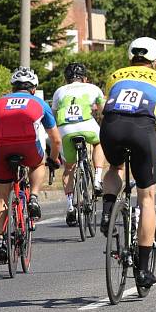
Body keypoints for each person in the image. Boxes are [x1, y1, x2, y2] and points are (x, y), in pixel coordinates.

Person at [99, 37, 156, 288]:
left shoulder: (115, 75)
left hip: (111, 127)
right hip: (141, 129)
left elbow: (110, 105)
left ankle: (107, 212)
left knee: (115, 168)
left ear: (131, 58)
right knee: (147, 197)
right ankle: (142, 271)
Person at [0, 67, 62, 264]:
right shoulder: (39, 102)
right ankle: (34, 197)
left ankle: (1, 241)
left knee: (1, 197)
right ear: (34, 88)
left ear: (13, 87)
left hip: (2, 149)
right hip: (29, 147)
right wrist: (53, 159)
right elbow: (55, 140)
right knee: (39, 164)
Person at [51, 63, 106, 226]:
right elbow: (104, 111)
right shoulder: (93, 88)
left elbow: (53, 115)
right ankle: (97, 179)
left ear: (66, 79)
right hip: (86, 124)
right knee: (99, 143)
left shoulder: (59, 91)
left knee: (69, 168)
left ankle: (69, 206)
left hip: (65, 129)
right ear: (85, 78)